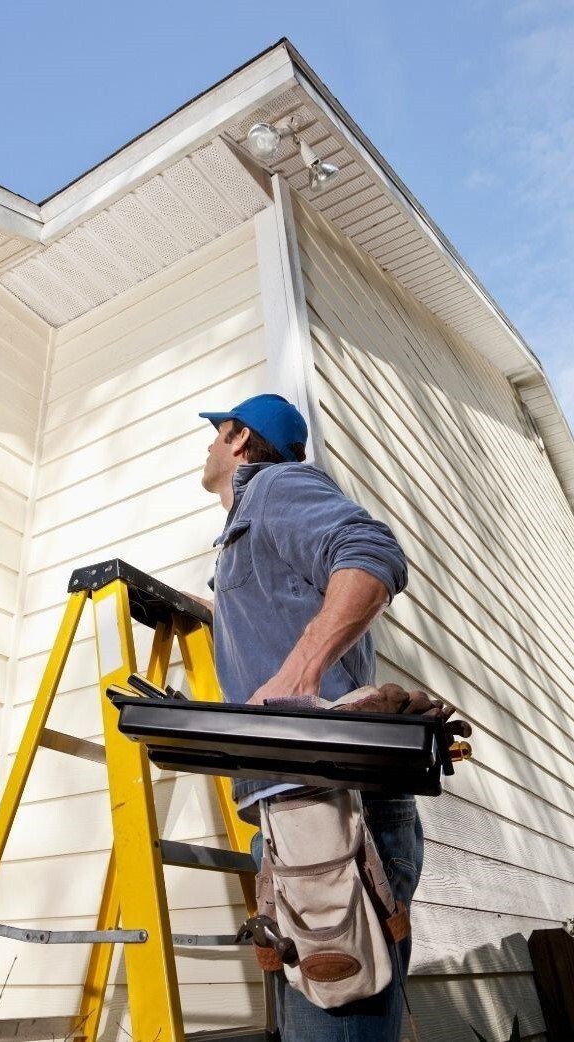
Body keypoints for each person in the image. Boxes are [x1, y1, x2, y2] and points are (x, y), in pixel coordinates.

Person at [193, 392, 429, 1042]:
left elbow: (371, 552)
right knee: (318, 1018)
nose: (209, 448)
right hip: (296, 807)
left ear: (239, 439)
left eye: (215, 436)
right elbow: (274, 612)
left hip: (331, 806)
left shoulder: (273, 488)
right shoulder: (247, 533)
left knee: (335, 1016)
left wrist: (300, 672)